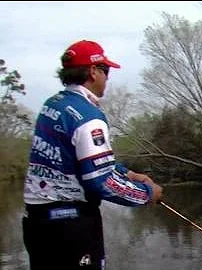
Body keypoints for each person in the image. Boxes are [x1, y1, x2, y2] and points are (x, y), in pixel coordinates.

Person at [22, 39, 164, 270]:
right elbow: (101, 182)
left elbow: (74, 160)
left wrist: (127, 173)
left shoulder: (52, 105)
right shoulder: (88, 117)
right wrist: (147, 193)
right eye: (106, 71)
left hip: (37, 224)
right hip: (71, 227)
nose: (108, 77)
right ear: (93, 72)